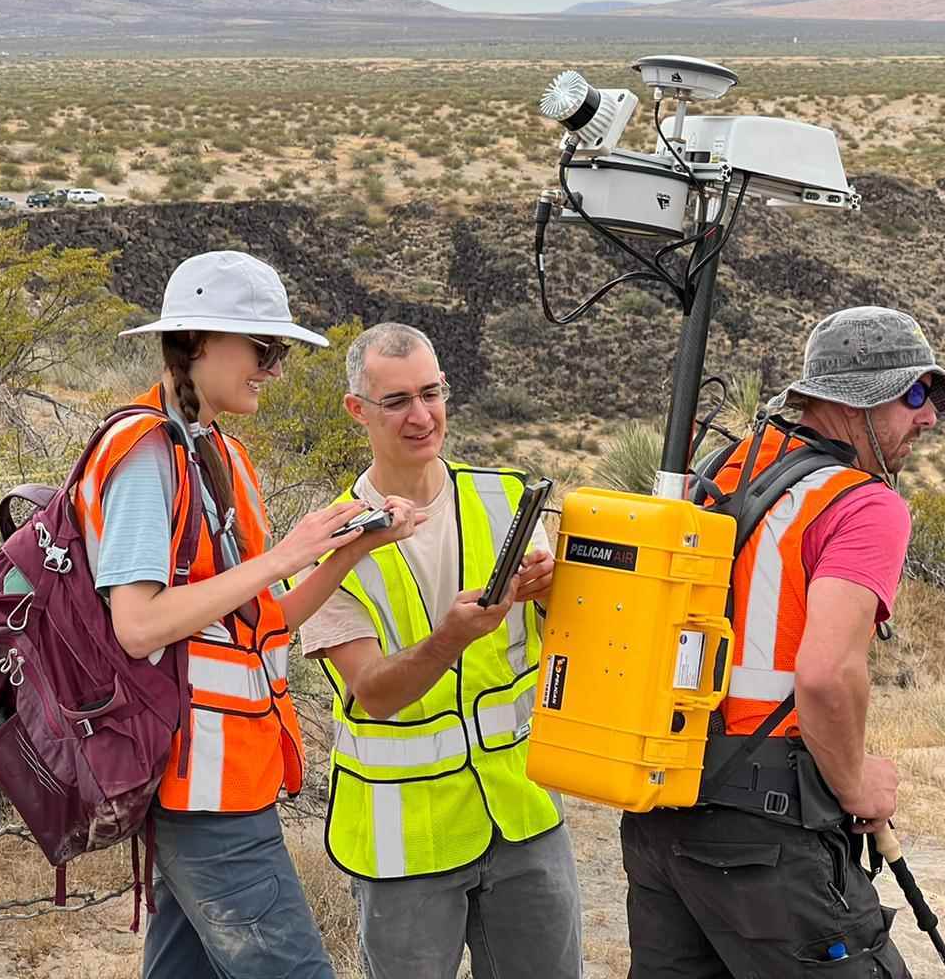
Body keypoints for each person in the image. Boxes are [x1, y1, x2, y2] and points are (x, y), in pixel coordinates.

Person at [83, 250, 423, 979]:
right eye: (262, 348)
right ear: (197, 344)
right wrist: (283, 553)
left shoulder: (222, 457)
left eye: (279, 352)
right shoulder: (145, 453)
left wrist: (349, 548)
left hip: (231, 775)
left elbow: (264, 627)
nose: (273, 368)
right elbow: (137, 625)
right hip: (198, 787)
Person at [620, 305, 945, 978]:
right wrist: (856, 784)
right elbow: (826, 676)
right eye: (916, 395)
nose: (929, 418)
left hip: (662, 816)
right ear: (856, 401)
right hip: (766, 837)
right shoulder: (865, 503)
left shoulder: (725, 471)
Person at [296, 322, 583, 979]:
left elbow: (569, 642)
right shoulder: (328, 542)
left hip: (522, 817)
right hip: (407, 847)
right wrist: (452, 637)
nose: (421, 416)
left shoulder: (505, 498)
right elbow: (373, 692)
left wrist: (551, 596)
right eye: (397, 401)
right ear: (357, 410)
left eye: (431, 393)